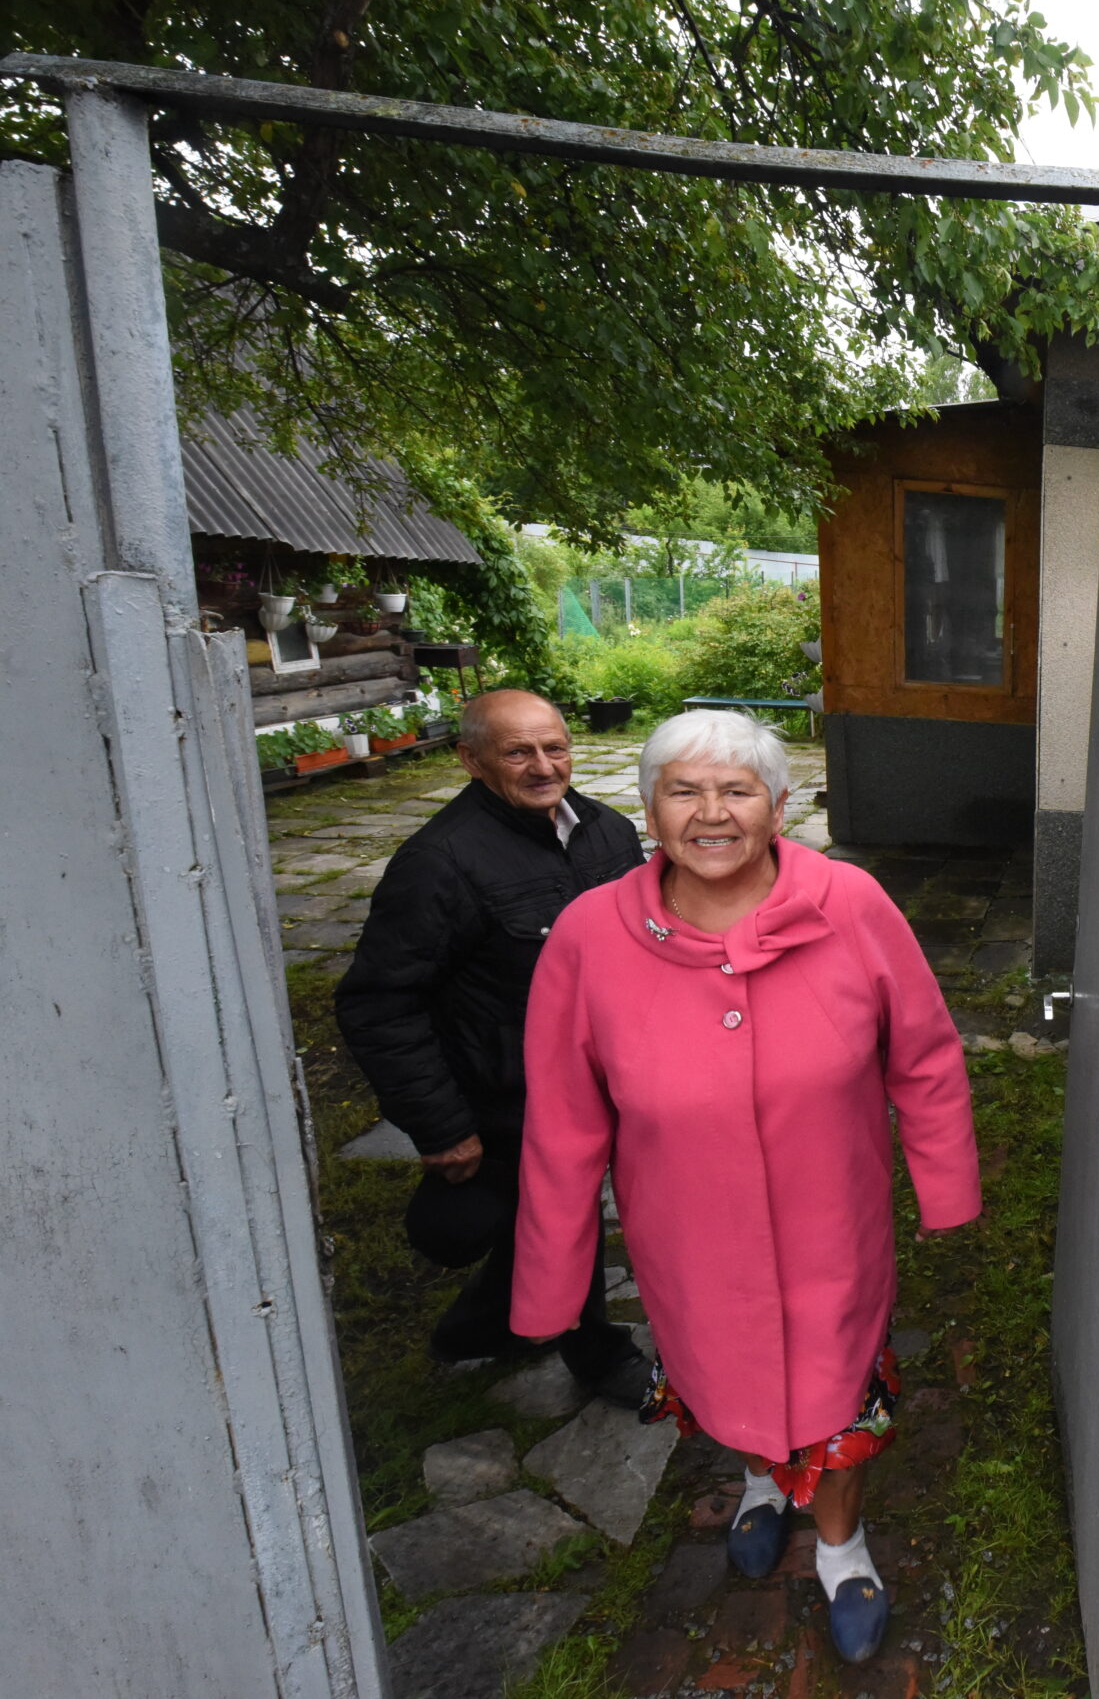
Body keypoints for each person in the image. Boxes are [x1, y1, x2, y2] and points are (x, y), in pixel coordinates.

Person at [511, 709, 977, 1665]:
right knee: (729, 1378)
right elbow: (562, 1120)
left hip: (831, 1228)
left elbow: (925, 1056)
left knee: (839, 1394)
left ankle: (842, 1547)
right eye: (684, 789)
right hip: (686, 1235)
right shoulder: (590, 936)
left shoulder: (851, 903)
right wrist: (555, 1280)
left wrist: (945, 1186)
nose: (710, 812)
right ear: (648, 809)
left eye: (737, 789)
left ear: (780, 805)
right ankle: (765, 1484)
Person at [336, 689, 651, 1405]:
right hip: (506, 1093)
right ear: (472, 761)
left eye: (555, 746)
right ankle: (599, 1356)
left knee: (537, 1216)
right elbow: (377, 1001)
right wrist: (442, 1125)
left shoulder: (608, 832)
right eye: (519, 752)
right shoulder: (439, 863)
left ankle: (480, 1325)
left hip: (598, 1076)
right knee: (552, 1217)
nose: (544, 766)